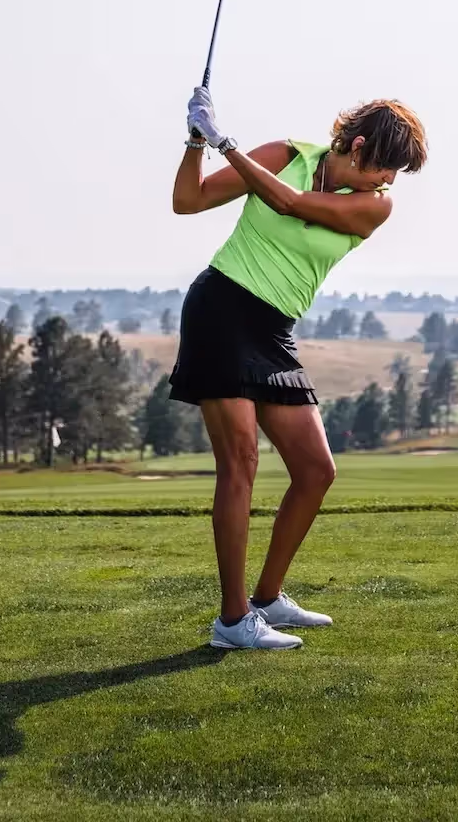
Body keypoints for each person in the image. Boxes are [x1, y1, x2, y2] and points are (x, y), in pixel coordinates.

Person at [173, 88, 428, 649]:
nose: (389, 181)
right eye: (386, 166)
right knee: (240, 462)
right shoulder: (284, 155)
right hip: (221, 308)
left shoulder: (375, 205)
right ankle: (234, 620)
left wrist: (224, 141)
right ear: (358, 147)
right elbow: (188, 201)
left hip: (272, 330)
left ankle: (267, 599)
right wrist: (196, 142)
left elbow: (289, 205)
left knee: (315, 471)